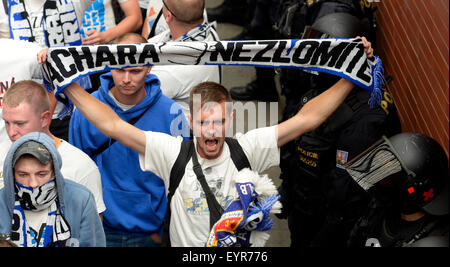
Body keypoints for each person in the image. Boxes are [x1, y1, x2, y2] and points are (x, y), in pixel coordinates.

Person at [39, 36, 373, 246]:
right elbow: (111, 123)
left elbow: (306, 120)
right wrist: (66, 83)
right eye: (203, 122)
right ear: (189, 122)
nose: (211, 130)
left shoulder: (248, 147)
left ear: (231, 121)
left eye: (218, 122)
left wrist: (351, 76)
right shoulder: (171, 152)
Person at [68, 33, 188, 247]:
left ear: (149, 68)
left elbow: (182, 178)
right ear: (109, 65)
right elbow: (76, 173)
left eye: (135, 71)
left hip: (150, 231)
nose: (126, 79)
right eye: (120, 69)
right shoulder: (85, 110)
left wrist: (167, 229)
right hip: (99, 226)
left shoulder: (171, 112)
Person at [1, 80, 106, 217]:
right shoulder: (2, 155)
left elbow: (92, 231)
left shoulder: (80, 165)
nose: (11, 132)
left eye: (19, 123)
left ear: (45, 118)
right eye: (7, 123)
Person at [0, 0, 96, 142]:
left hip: (71, 108)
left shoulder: (75, 1)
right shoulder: (5, 5)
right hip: (25, 114)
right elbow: (8, 52)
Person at [0, 132, 105, 247]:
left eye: (41, 174)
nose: (33, 184)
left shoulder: (80, 200)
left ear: (55, 172)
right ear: (12, 173)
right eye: (23, 175)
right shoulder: (2, 202)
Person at [345, 132, 449, 247]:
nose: (380, 180)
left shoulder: (432, 238)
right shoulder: (380, 208)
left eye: (389, 178)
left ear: (411, 190)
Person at [147, 0, 221, 117]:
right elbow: (153, 42)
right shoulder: (208, 31)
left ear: (168, 16)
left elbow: (133, 99)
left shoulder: (172, 71)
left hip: (179, 131)